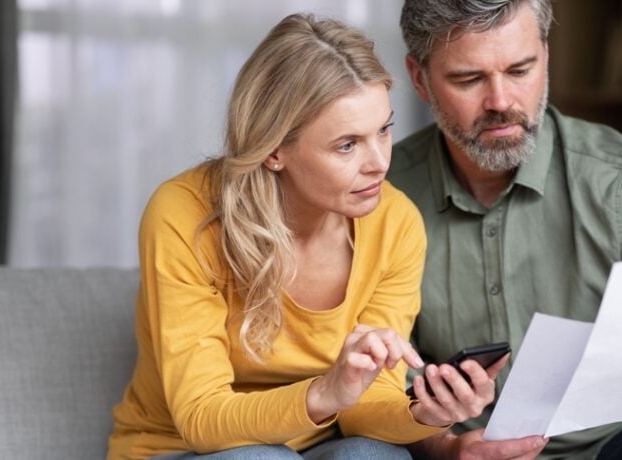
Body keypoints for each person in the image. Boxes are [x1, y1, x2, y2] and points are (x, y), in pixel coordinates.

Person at [387, 1, 622, 459]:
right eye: (469, 79)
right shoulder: (379, 196)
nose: (500, 102)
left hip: (618, 450)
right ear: (419, 79)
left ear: (546, 57)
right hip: (458, 452)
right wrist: (446, 449)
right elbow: (374, 389)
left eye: (520, 70)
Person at [107, 13, 504, 460]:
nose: (378, 163)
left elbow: (364, 409)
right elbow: (200, 418)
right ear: (275, 149)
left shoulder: (395, 221)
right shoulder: (184, 214)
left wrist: (429, 414)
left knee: (373, 456)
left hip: (318, 445)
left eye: (385, 130)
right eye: (347, 145)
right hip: (181, 449)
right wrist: (325, 393)